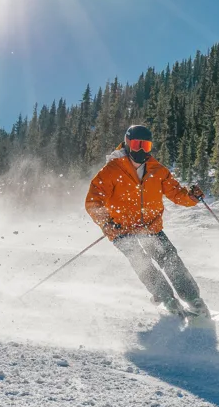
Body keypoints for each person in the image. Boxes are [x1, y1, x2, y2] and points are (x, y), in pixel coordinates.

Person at [85, 124, 210, 318]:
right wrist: (107, 223)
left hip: (150, 226)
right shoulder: (111, 170)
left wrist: (191, 197)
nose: (142, 150)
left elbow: (177, 193)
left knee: (169, 258)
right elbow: (93, 201)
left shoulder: (157, 170)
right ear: (127, 144)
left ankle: (193, 299)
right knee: (141, 261)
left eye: (146, 145)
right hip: (121, 229)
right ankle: (166, 299)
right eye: (137, 145)